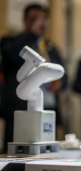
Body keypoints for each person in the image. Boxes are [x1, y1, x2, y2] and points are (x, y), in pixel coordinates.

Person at [0, 3, 67, 152]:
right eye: (34, 18)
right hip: (19, 107)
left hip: (47, 105)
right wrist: (30, 34)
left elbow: (64, 76)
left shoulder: (50, 47)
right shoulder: (11, 41)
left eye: (43, 19)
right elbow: (9, 59)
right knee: (16, 150)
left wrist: (59, 83)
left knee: (45, 149)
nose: (39, 22)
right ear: (24, 21)